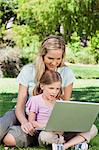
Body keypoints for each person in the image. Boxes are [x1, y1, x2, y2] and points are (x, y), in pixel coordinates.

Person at [0, 35, 98, 148]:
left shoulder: (66, 73)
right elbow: (20, 106)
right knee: (2, 127)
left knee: (10, 139)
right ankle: (54, 140)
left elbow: (65, 106)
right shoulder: (29, 71)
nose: (54, 63)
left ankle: (51, 141)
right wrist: (25, 123)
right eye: (50, 58)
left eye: (58, 59)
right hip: (25, 114)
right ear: (42, 56)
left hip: (51, 122)